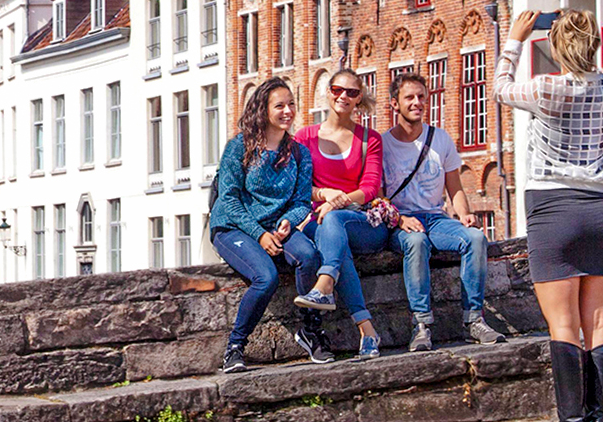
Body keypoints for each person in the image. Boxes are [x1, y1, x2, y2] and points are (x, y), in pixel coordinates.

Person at [495, 8, 603, 422]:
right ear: (594, 44)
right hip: (599, 210)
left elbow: (500, 89)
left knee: (564, 323)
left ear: (557, 48)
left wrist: (514, 38)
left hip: (553, 209)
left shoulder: (547, 88)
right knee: (599, 322)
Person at [384, 72, 507, 350]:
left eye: (421, 97)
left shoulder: (440, 140)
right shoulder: (384, 145)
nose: (417, 103)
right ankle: (422, 324)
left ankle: (474, 319)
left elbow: (456, 189)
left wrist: (465, 214)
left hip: (436, 218)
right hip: (400, 223)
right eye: (409, 98)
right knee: (416, 242)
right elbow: (378, 197)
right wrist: (401, 219)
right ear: (394, 104)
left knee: (475, 239)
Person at [207, 77, 321, 374]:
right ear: (263, 109)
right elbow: (229, 199)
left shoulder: (298, 153)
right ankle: (235, 347)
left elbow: (301, 202)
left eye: (291, 104)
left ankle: (310, 330)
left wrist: (288, 223)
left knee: (309, 256)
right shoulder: (239, 147)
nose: (288, 111)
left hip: (276, 226)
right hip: (233, 226)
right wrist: (259, 235)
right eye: (280, 105)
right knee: (266, 276)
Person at [291, 69, 387, 362]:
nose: (343, 96)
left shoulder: (370, 139)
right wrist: (325, 196)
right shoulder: (304, 137)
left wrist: (339, 202)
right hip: (319, 221)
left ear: (360, 99)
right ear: (328, 93)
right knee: (334, 240)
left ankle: (325, 284)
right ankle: (367, 329)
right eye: (337, 90)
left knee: (334, 223)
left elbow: (370, 188)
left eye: (351, 92)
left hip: (361, 221)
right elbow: (298, 186)